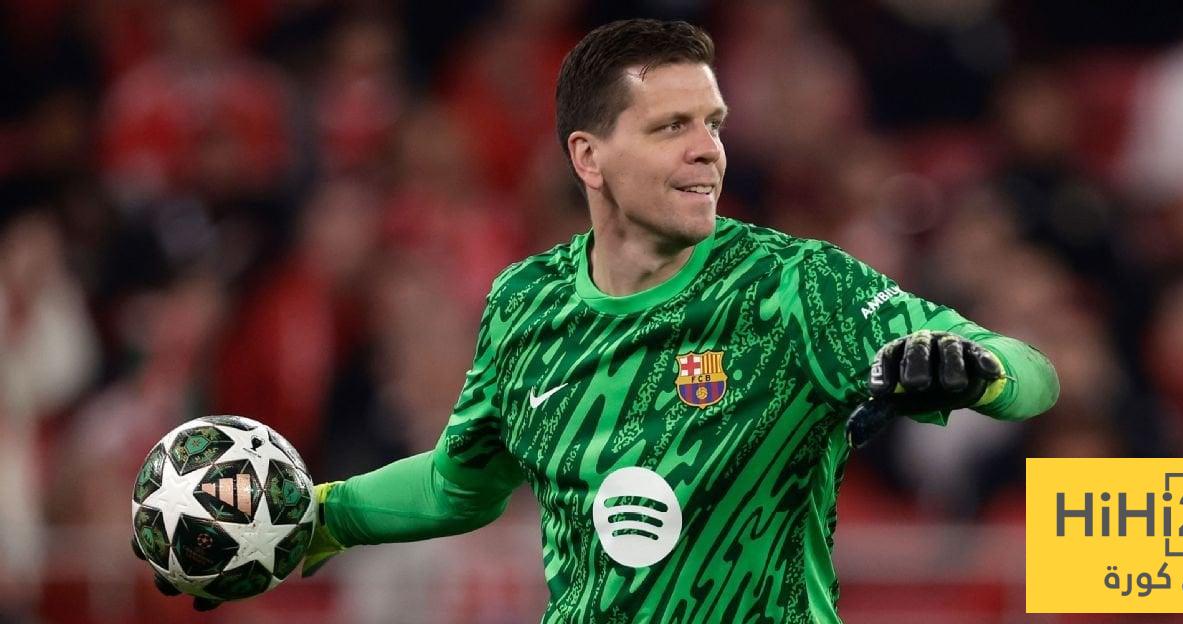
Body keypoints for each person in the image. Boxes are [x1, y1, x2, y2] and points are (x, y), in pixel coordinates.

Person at [135, 18, 1059, 621]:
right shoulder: (525, 303)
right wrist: (321, 517)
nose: (708, 151)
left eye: (713, 123)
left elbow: (1033, 374)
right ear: (589, 157)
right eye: (670, 128)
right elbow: (462, 486)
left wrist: (980, 369)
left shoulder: (793, 287)